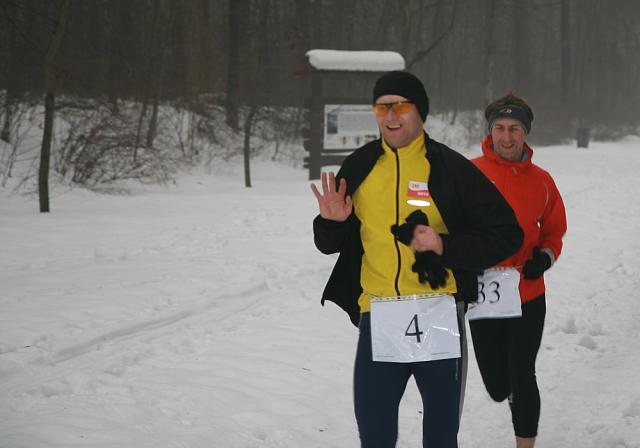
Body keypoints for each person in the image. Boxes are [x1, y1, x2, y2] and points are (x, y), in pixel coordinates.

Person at [310, 71, 523, 448]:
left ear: (420, 111)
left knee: (440, 438)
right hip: (379, 316)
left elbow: (507, 234)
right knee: (375, 436)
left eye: (401, 106)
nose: (391, 116)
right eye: (382, 107)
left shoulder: (450, 168)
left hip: (439, 314)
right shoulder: (359, 167)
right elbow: (330, 245)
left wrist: (444, 246)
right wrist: (331, 223)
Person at [468, 93, 567, 448]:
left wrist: (544, 259)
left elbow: (554, 231)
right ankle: (508, 391)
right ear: (490, 131)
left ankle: (525, 441)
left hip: (528, 293)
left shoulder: (542, 181)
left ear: (525, 133)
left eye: (514, 129)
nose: (507, 137)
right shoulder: (470, 174)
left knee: (522, 372)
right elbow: (449, 223)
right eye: (500, 128)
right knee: (498, 385)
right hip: (483, 295)